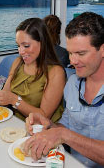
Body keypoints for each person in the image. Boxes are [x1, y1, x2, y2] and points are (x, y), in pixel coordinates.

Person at [24, 12, 104, 167]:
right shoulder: (73, 84)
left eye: (81, 53)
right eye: (70, 53)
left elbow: (66, 134)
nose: (72, 61)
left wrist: (64, 135)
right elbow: (66, 126)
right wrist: (48, 126)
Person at [0, 18, 65, 122]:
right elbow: (5, 95)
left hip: (40, 129)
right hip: (14, 121)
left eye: (26, 45)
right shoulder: (18, 62)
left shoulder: (56, 72)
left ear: (42, 43)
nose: (21, 51)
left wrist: (14, 100)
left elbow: (44, 116)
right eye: (18, 45)